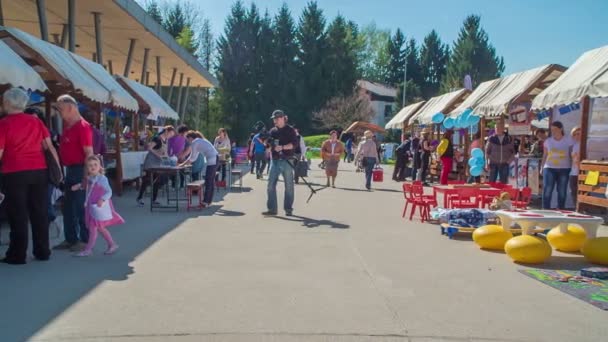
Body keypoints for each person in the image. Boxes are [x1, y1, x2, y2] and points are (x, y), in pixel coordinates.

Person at [0, 88, 60, 264]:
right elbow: (49, 147)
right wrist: (58, 170)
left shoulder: (3, 124)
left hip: (14, 172)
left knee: (18, 214)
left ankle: (17, 255)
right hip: (39, 171)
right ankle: (42, 251)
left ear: (7, 103)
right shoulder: (36, 122)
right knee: (39, 211)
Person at [54, 94, 94, 252]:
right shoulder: (67, 125)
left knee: (80, 206)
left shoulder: (83, 127)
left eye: (60, 109)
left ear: (70, 108)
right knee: (68, 206)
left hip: (79, 169)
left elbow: (88, 153)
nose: (59, 112)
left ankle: (85, 240)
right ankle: (71, 239)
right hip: (70, 170)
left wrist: (86, 176)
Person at [71, 155, 123, 257]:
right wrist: (79, 186)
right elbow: (87, 187)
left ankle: (88, 249)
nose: (93, 167)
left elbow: (109, 191)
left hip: (98, 207)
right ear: (87, 168)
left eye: (95, 165)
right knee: (100, 228)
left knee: (93, 228)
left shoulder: (101, 179)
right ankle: (112, 244)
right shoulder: (90, 178)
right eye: (90, 166)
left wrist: (102, 199)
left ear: (100, 167)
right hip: (92, 207)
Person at [263, 110, 298, 216]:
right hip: (275, 160)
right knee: (270, 185)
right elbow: (269, 145)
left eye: (277, 118)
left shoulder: (290, 130)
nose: (275, 120)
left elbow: (294, 144)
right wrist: (267, 146)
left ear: (283, 118)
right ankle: (272, 209)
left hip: (287, 160)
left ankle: (288, 209)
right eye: (274, 119)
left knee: (289, 186)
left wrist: (282, 147)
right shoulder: (272, 131)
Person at [136, 126, 176, 206]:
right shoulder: (157, 139)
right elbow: (149, 148)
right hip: (151, 162)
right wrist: (158, 155)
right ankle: (139, 198)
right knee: (147, 180)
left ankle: (154, 200)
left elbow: (164, 152)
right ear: (166, 131)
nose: (171, 136)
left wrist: (168, 158)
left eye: (172, 135)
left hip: (158, 163)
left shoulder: (166, 140)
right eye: (170, 134)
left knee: (157, 181)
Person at [180, 131, 219, 207]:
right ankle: (208, 201)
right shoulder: (198, 141)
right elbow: (193, 157)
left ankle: (205, 202)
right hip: (214, 158)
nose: (187, 141)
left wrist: (182, 165)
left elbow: (192, 158)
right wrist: (184, 163)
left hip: (213, 159)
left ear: (190, 138)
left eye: (187, 139)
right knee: (210, 181)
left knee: (208, 181)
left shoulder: (195, 142)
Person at [542, 121, 573, 209]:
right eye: (552, 130)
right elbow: (545, 155)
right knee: (548, 190)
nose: (553, 132)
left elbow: (571, 154)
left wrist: (573, 166)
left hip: (564, 168)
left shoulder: (568, 140)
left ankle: (561, 209)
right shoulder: (548, 141)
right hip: (549, 168)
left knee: (562, 191)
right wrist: (542, 167)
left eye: (555, 129)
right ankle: (545, 209)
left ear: (561, 129)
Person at [570, 126, 581, 207]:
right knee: (574, 191)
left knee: (582, 191)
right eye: (575, 134)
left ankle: (581, 208)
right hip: (574, 172)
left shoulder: (585, 144)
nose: (577, 136)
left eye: (578, 134)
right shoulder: (575, 145)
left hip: (581, 172)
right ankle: (576, 207)